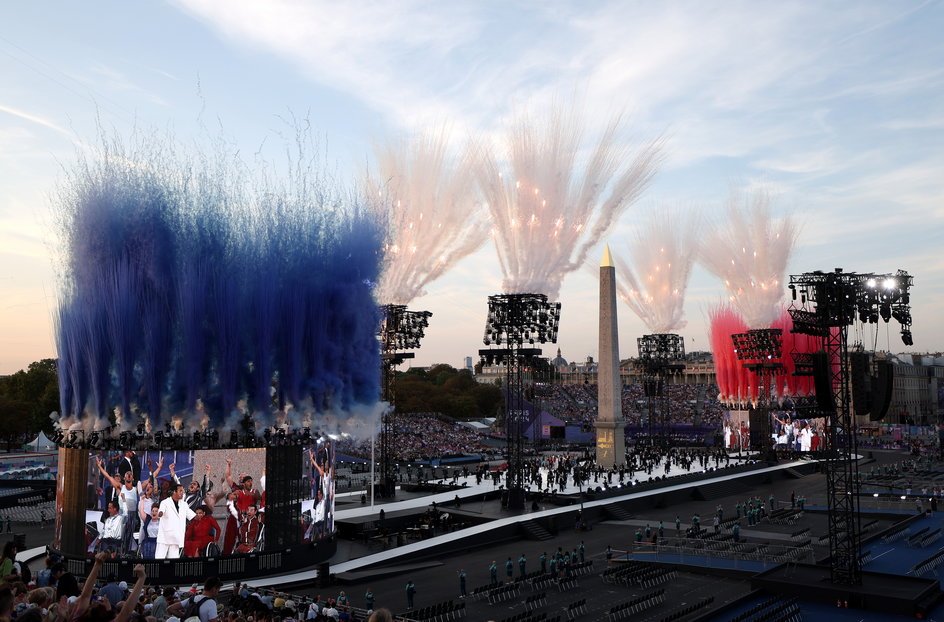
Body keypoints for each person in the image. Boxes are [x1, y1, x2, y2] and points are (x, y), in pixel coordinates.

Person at [157, 484, 196, 558]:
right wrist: (160, 513)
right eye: (180, 491)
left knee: (174, 560)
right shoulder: (165, 502)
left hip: (176, 537)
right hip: (165, 537)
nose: (182, 493)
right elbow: (161, 511)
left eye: (183, 491)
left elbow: (191, 515)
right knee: (159, 558)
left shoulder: (184, 504)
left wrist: (200, 517)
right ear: (174, 492)